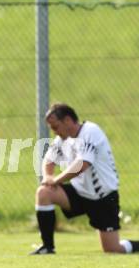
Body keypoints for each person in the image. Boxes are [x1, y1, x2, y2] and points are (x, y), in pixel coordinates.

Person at [31, 103, 139, 255]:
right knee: (44, 192)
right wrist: (48, 176)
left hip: (102, 197)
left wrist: (56, 180)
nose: (54, 131)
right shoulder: (62, 138)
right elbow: (49, 160)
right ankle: (47, 247)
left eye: (55, 127)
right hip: (79, 193)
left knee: (113, 249)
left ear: (68, 120)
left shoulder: (90, 132)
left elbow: (82, 164)